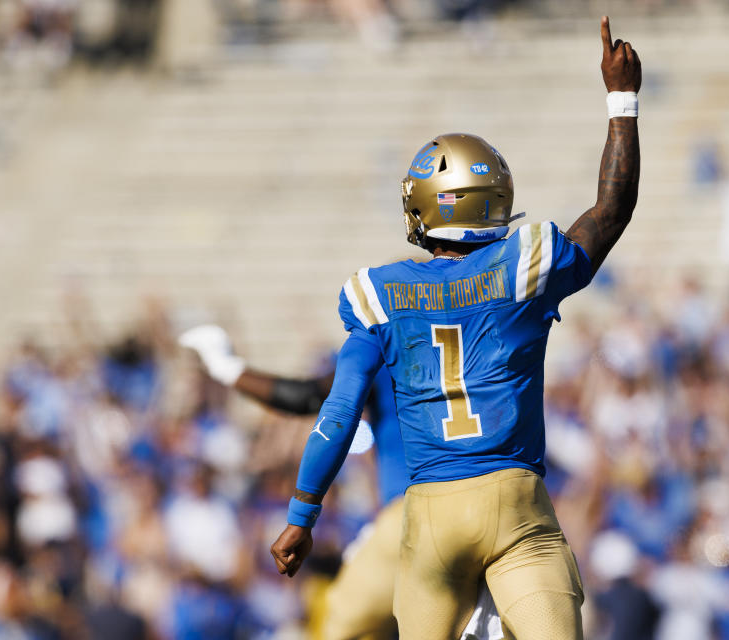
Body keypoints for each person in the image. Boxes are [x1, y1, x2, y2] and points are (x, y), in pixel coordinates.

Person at [268, 16, 641, 640]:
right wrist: (621, 100)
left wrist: (302, 514)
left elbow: (338, 413)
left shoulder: (379, 294)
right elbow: (612, 208)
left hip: (431, 519)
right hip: (517, 508)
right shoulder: (521, 268)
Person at [178, 325, 503, 640]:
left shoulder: (391, 344)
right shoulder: (486, 339)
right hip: (496, 506)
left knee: (342, 624)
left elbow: (306, 398)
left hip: (416, 511)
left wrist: (227, 368)